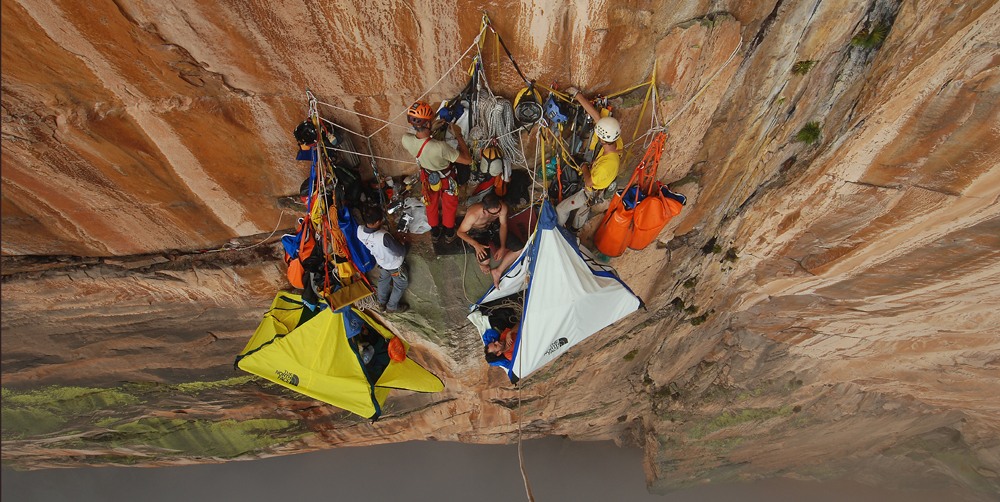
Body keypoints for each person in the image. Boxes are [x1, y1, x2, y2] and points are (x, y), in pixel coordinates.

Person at [401, 101, 472, 243]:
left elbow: (422, 142)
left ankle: (435, 232)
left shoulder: (406, 139)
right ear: (427, 123)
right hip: (446, 178)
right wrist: (458, 136)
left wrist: (431, 130)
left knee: (430, 203)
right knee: (449, 205)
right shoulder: (440, 147)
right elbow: (467, 160)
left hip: (427, 176)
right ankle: (449, 232)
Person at [556, 87, 622, 231]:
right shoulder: (617, 142)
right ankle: (575, 229)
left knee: (561, 209)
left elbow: (589, 181)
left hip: (590, 190)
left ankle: (559, 231)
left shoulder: (606, 165)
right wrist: (577, 95)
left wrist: (584, 166)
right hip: (598, 185)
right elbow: (597, 118)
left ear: (602, 140)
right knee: (582, 212)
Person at [356, 205, 409, 313]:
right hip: (394, 264)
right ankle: (392, 306)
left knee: (383, 280)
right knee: (400, 284)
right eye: (380, 220)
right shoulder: (383, 236)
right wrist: (406, 243)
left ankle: (381, 302)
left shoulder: (360, 230)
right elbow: (401, 251)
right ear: (376, 222)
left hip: (381, 261)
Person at [456, 192, 510, 277]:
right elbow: (460, 232)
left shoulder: (502, 208)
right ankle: (481, 264)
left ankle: (496, 244)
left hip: (491, 227)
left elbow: (503, 225)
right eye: (494, 213)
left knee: (513, 245)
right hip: (477, 232)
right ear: (485, 210)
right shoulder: (474, 214)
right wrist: (476, 245)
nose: (498, 214)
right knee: (485, 261)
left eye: (499, 210)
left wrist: (502, 246)